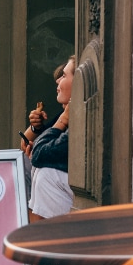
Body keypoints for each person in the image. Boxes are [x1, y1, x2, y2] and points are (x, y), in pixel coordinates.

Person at [23, 56, 75, 221]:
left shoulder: (71, 117)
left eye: (64, 76)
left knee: (43, 173)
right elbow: (26, 143)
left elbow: (40, 153)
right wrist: (35, 128)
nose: (58, 82)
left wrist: (62, 121)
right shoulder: (64, 115)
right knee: (25, 165)